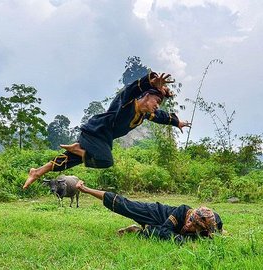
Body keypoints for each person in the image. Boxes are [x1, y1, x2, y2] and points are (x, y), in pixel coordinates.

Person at [23, 72, 191, 189]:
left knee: (70, 160)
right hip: (95, 131)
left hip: (102, 138)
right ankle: (77, 150)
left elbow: (161, 116)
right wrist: (151, 81)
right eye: (156, 101)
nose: (156, 106)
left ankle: (37, 172)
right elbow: (131, 89)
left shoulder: (143, 115)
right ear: (146, 96)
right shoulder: (127, 103)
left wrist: (177, 122)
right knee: (106, 160)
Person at [75, 180, 223, 244]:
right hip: (155, 212)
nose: (190, 225)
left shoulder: (213, 222)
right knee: (126, 205)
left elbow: (218, 231)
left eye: (194, 226)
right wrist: (182, 239)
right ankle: (86, 189)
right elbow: (166, 231)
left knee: (154, 234)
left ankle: (135, 230)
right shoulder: (183, 210)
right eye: (190, 221)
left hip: (160, 227)